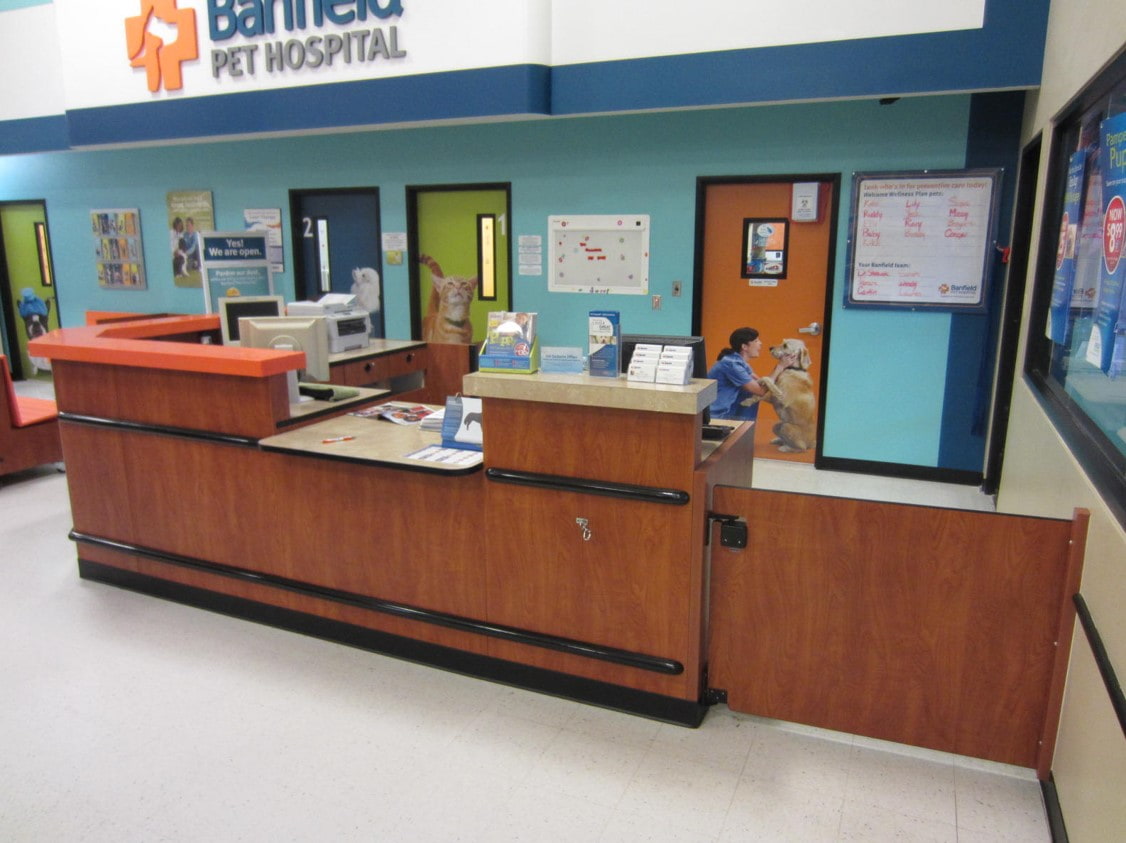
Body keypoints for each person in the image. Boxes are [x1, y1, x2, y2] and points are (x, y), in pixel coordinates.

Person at [706, 326, 794, 421]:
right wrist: (780, 366)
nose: (760, 343)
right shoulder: (732, 364)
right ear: (744, 347)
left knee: (751, 394)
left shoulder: (738, 361)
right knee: (751, 394)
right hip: (715, 416)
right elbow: (760, 391)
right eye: (756, 341)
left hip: (726, 412)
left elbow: (760, 383)